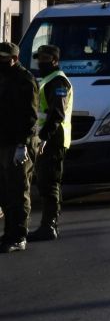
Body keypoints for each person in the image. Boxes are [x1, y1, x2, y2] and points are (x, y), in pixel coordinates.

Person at [29, 45, 72, 242]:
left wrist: (45, 137)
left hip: (54, 138)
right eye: (39, 58)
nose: (40, 62)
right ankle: (48, 224)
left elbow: (57, 113)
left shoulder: (59, 81)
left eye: (45, 58)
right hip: (46, 137)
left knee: (50, 182)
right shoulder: (48, 80)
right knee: (46, 182)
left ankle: (49, 226)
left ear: (54, 60)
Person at [0, 41, 40, 253]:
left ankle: (19, 235)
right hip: (3, 141)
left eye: (4, 58)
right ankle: (8, 233)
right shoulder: (3, 77)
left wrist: (23, 145)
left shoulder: (25, 80)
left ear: (14, 58)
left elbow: (31, 116)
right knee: (5, 192)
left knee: (18, 190)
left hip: (18, 143)